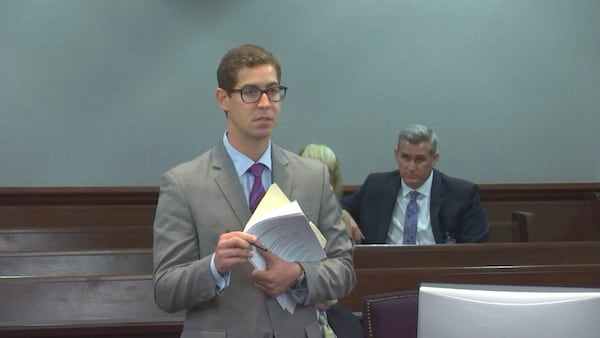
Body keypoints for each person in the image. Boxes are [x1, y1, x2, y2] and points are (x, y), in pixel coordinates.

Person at [152, 44, 356, 338]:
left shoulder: (313, 176)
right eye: (250, 92)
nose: (265, 103)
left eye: (273, 91)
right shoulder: (184, 183)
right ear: (223, 99)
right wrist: (214, 266)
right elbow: (165, 290)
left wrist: (298, 274)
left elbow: (344, 273)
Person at [341, 124, 489, 244]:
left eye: (419, 159)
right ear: (396, 155)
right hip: (384, 269)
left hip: (438, 271)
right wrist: (343, 214)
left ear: (434, 158)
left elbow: (477, 248)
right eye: (405, 158)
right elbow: (335, 207)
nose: (411, 167)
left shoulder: (461, 193)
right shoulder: (376, 185)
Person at [298, 144, 365, 244]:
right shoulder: (285, 210)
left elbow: (344, 256)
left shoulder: (341, 216)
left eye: (327, 173)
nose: (321, 179)